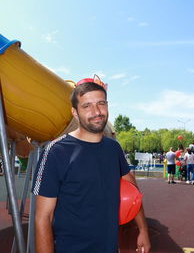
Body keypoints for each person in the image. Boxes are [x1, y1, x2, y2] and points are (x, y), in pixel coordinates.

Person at [32, 80, 151, 253]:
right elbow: (43, 217)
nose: (96, 112)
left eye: (101, 103)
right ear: (74, 112)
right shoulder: (56, 151)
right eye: (87, 106)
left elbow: (132, 190)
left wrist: (143, 230)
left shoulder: (113, 149)